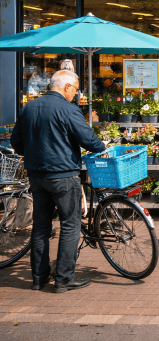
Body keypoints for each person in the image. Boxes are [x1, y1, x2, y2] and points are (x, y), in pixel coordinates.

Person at [10, 70, 106, 293]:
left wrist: (33, 155)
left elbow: (16, 141)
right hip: (63, 175)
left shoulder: (28, 108)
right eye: (75, 89)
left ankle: (38, 279)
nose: (76, 94)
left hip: (36, 176)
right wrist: (102, 147)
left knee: (41, 226)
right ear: (66, 87)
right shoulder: (68, 109)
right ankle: (64, 279)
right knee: (70, 225)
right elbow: (88, 139)